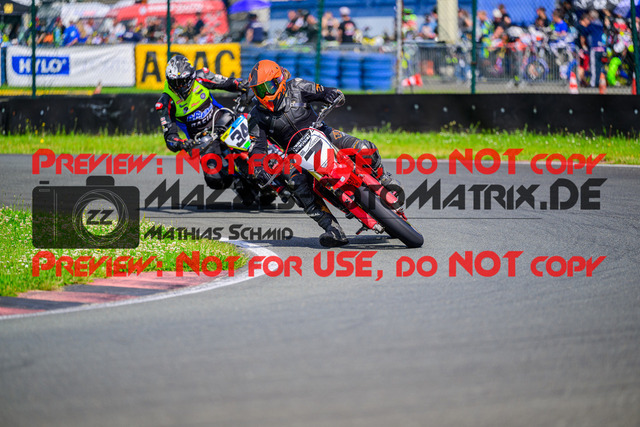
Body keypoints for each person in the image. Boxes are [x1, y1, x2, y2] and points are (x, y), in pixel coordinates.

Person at [246, 60, 403, 247]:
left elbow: (322, 91)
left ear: (278, 80)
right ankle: (332, 228)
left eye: (267, 87)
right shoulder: (256, 116)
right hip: (295, 156)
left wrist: (333, 94)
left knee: (363, 147)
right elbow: (257, 147)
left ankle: (383, 177)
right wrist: (258, 167)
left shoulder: (297, 86)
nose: (264, 94)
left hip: (323, 133)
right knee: (296, 185)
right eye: (259, 90)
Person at [155, 54, 248, 191]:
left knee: (253, 124)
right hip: (203, 140)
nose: (180, 86)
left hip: (223, 120)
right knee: (214, 179)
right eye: (175, 82)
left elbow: (227, 82)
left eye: (183, 81)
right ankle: (237, 182)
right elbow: (170, 137)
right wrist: (182, 143)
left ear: (191, 77)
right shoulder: (165, 102)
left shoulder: (202, 76)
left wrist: (240, 84)